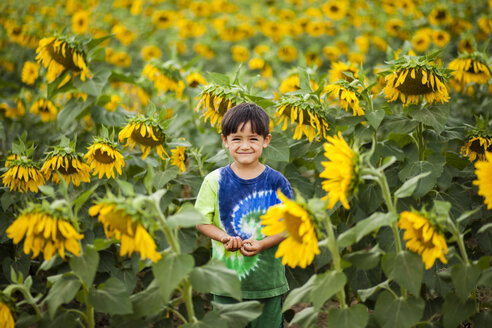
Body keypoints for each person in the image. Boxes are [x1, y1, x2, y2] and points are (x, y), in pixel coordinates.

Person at [195, 102, 293, 328]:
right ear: (225, 140)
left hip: (267, 282)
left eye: (253, 139)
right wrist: (224, 238)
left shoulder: (277, 182)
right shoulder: (215, 180)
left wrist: (263, 244)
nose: (245, 145)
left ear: (266, 141)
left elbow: (289, 226)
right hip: (226, 283)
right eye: (237, 139)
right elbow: (201, 221)